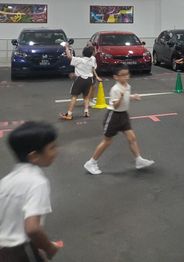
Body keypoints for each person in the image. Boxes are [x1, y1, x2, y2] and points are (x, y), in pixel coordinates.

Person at [0, 122, 62, 262]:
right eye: (52, 148)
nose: (56, 151)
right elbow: (33, 229)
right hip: (21, 250)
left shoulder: (6, 181)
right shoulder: (37, 182)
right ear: (34, 156)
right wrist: (49, 248)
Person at [83, 65, 154, 175]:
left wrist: (132, 97)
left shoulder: (127, 86)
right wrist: (121, 97)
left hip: (123, 115)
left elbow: (126, 96)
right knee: (107, 141)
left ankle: (139, 160)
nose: (126, 77)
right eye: (123, 75)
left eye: (127, 74)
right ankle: (91, 162)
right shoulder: (115, 89)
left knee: (132, 138)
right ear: (116, 77)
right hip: (114, 116)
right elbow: (115, 105)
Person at [60, 44, 102, 120]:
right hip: (89, 79)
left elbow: (69, 57)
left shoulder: (79, 60)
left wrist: (66, 48)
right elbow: (93, 68)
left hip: (80, 80)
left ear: (83, 53)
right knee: (86, 97)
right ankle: (86, 112)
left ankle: (69, 114)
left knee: (74, 96)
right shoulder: (92, 59)